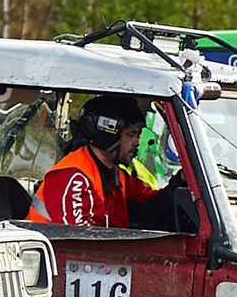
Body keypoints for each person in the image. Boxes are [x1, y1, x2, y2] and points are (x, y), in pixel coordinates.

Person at [30, 94, 158, 227]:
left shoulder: (115, 174)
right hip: (50, 247)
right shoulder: (73, 176)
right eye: (131, 135)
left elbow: (151, 202)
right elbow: (82, 240)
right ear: (108, 136)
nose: (137, 143)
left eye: (138, 135)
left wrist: (178, 183)